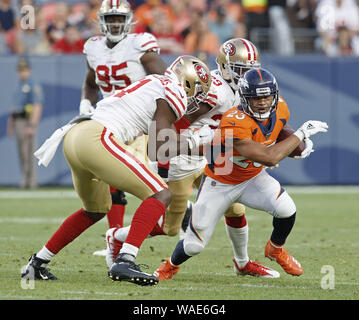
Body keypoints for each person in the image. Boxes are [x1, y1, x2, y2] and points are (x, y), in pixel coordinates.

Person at [21, 55, 213, 286]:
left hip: (74, 136)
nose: (197, 99)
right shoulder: (174, 92)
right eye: (198, 91)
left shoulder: (156, 81)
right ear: (190, 84)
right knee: (161, 194)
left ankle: (36, 264)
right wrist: (197, 141)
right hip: (97, 137)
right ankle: (126, 259)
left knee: (95, 209)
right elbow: (158, 149)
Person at [105, 38, 282, 278]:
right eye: (242, 70)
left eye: (251, 69)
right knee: (169, 228)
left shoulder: (243, 90)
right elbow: (173, 126)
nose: (247, 75)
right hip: (185, 156)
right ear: (226, 66)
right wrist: (165, 165)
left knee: (235, 209)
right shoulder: (215, 91)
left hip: (213, 154)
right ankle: (115, 236)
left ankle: (242, 263)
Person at [153, 68, 328, 281]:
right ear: (244, 99)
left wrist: (297, 145)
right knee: (194, 245)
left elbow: (279, 128)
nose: (263, 102)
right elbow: (269, 157)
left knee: (287, 209)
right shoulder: (234, 120)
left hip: (252, 177)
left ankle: (275, 249)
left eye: (266, 97)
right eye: (256, 98)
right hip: (221, 181)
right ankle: (170, 265)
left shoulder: (280, 106)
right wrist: (301, 134)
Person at [78, 0, 168, 253]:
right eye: (111, 19)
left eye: (119, 18)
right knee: (110, 179)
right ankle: (114, 239)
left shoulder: (140, 44)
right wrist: (86, 101)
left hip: (139, 122)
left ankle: (179, 215)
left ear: (128, 20)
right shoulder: (93, 48)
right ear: (102, 21)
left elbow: (164, 80)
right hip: (111, 121)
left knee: (149, 184)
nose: (115, 23)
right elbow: (91, 83)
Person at [7, 58, 43, 189]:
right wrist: (10, 125)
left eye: (24, 70)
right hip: (18, 120)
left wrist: (32, 125)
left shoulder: (32, 84)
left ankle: (31, 182)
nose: (22, 72)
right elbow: (14, 107)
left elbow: (37, 106)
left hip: (27, 120)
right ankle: (25, 179)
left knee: (29, 152)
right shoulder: (19, 85)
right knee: (22, 152)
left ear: (29, 70)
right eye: (20, 70)